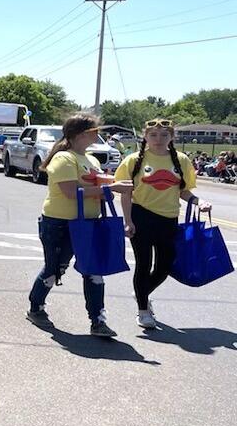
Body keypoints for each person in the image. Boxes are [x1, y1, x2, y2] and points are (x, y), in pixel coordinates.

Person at [26, 114, 133, 337]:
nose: (98, 134)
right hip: (59, 223)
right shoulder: (64, 158)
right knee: (55, 270)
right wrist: (110, 189)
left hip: (90, 223)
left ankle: (98, 321)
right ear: (81, 134)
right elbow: (70, 192)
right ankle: (36, 307)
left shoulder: (92, 160)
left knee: (94, 270)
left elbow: (96, 188)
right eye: (95, 130)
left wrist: (106, 191)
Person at [116, 119, 211, 329]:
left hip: (168, 219)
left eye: (164, 135)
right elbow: (125, 192)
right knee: (143, 264)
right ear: (145, 137)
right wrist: (128, 221)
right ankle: (143, 311)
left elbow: (184, 191)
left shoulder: (181, 160)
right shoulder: (133, 160)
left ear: (172, 137)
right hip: (141, 216)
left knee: (164, 266)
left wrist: (199, 202)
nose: (159, 140)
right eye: (153, 135)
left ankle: (142, 292)